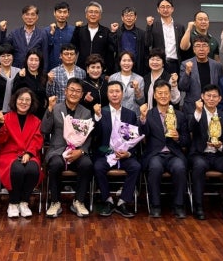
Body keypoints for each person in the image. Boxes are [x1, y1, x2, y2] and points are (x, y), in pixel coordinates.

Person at [42, 79, 94, 218]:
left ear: (82, 95)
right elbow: (45, 130)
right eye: (71, 90)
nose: (74, 93)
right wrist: (49, 109)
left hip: (77, 151)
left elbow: (88, 136)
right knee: (55, 164)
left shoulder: (86, 112)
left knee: (87, 164)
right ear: (65, 91)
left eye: (78, 91)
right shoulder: (56, 108)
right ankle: (55, 202)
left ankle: (79, 201)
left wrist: (81, 151)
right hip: (57, 150)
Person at [140, 80, 190, 219]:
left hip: (174, 154)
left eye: (166, 93)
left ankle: (178, 205)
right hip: (155, 154)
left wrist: (178, 138)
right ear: (154, 95)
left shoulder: (179, 115)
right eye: (160, 93)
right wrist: (143, 119)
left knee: (180, 167)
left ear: (170, 95)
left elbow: (187, 140)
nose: (163, 96)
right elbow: (142, 135)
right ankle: (155, 206)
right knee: (155, 168)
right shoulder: (148, 114)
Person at [92, 80, 142, 218]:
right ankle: (107, 200)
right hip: (106, 154)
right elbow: (95, 136)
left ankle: (122, 201)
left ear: (122, 93)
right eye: (111, 92)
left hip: (124, 154)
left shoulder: (130, 114)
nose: (114, 94)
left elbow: (133, 138)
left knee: (136, 167)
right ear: (107, 94)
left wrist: (128, 153)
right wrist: (97, 117)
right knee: (97, 167)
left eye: (117, 91)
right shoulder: (101, 112)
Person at [0, 89, 44, 218]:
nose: (24, 102)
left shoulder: (36, 121)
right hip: (9, 154)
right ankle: (13, 203)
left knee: (33, 169)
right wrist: (0, 124)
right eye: (21, 99)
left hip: (29, 153)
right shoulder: (6, 118)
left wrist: (29, 153)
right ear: (15, 100)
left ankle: (24, 202)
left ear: (32, 103)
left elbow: (37, 139)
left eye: (27, 100)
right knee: (17, 169)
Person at [188, 84, 223, 220]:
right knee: (199, 166)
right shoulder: (196, 113)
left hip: (218, 155)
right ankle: (198, 206)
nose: (211, 99)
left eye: (214, 96)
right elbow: (190, 128)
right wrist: (198, 112)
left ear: (219, 99)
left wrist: (221, 145)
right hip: (200, 154)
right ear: (202, 97)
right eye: (208, 96)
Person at [179, 36, 223, 115]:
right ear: (194, 49)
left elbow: (220, 88)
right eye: (198, 46)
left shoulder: (217, 66)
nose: (201, 49)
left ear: (208, 49)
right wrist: (187, 72)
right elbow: (182, 87)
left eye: (204, 46)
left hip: (212, 107)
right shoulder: (185, 64)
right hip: (192, 108)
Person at [72, 1, 116, 76]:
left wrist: (108, 72)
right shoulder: (80, 30)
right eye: (91, 12)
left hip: (99, 71)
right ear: (86, 15)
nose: (93, 14)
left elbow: (110, 54)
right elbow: (73, 49)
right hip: (81, 70)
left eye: (96, 12)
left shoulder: (106, 31)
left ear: (100, 16)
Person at [145, 0, 185, 76]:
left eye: (168, 7)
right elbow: (147, 43)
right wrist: (149, 26)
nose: (165, 9)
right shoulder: (153, 25)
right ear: (158, 9)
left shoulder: (180, 27)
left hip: (176, 64)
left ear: (172, 9)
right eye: (162, 7)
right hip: (160, 63)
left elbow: (183, 48)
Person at [6, 5, 49, 69]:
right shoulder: (14, 33)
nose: (30, 17)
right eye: (27, 14)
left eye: (33, 15)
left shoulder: (42, 34)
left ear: (37, 17)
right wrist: (3, 32)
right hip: (17, 70)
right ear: (23, 16)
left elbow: (45, 56)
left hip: (35, 70)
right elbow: (4, 48)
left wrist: (44, 72)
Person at [109, 6, 148, 74]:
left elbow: (146, 52)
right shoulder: (117, 32)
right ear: (122, 18)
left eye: (131, 15)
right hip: (120, 68)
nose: (129, 18)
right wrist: (113, 32)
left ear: (135, 17)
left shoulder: (142, 33)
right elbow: (112, 48)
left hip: (137, 68)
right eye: (126, 15)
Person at [12, 50, 49, 118]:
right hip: (25, 113)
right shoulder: (21, 75)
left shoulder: (44, 76)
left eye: (36, 60)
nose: (33, 63)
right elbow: (14, 95)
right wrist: (20, 78)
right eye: (31, 60)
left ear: (40, 62)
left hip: (41, 114)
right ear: (26, 60)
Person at [108, 51, 144, 115]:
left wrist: (137, 90)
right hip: (116, 114)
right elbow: (109, 98)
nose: (126, 63)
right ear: (119, 62)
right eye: (124, 60)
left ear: (133, 63)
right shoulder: (113, 78)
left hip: (134, 115)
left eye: (129, 61)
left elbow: (141, 102)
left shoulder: (139, 79)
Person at [45, 1, 74, 71]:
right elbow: (44, 50)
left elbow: (76, 51)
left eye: (65, 12)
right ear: (54, 13)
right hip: (50, 70)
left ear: (68, 14)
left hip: (68, 69)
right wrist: (51, 34)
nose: (62, 15)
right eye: (59, 12)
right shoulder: (46, 31)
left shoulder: (73, 31)